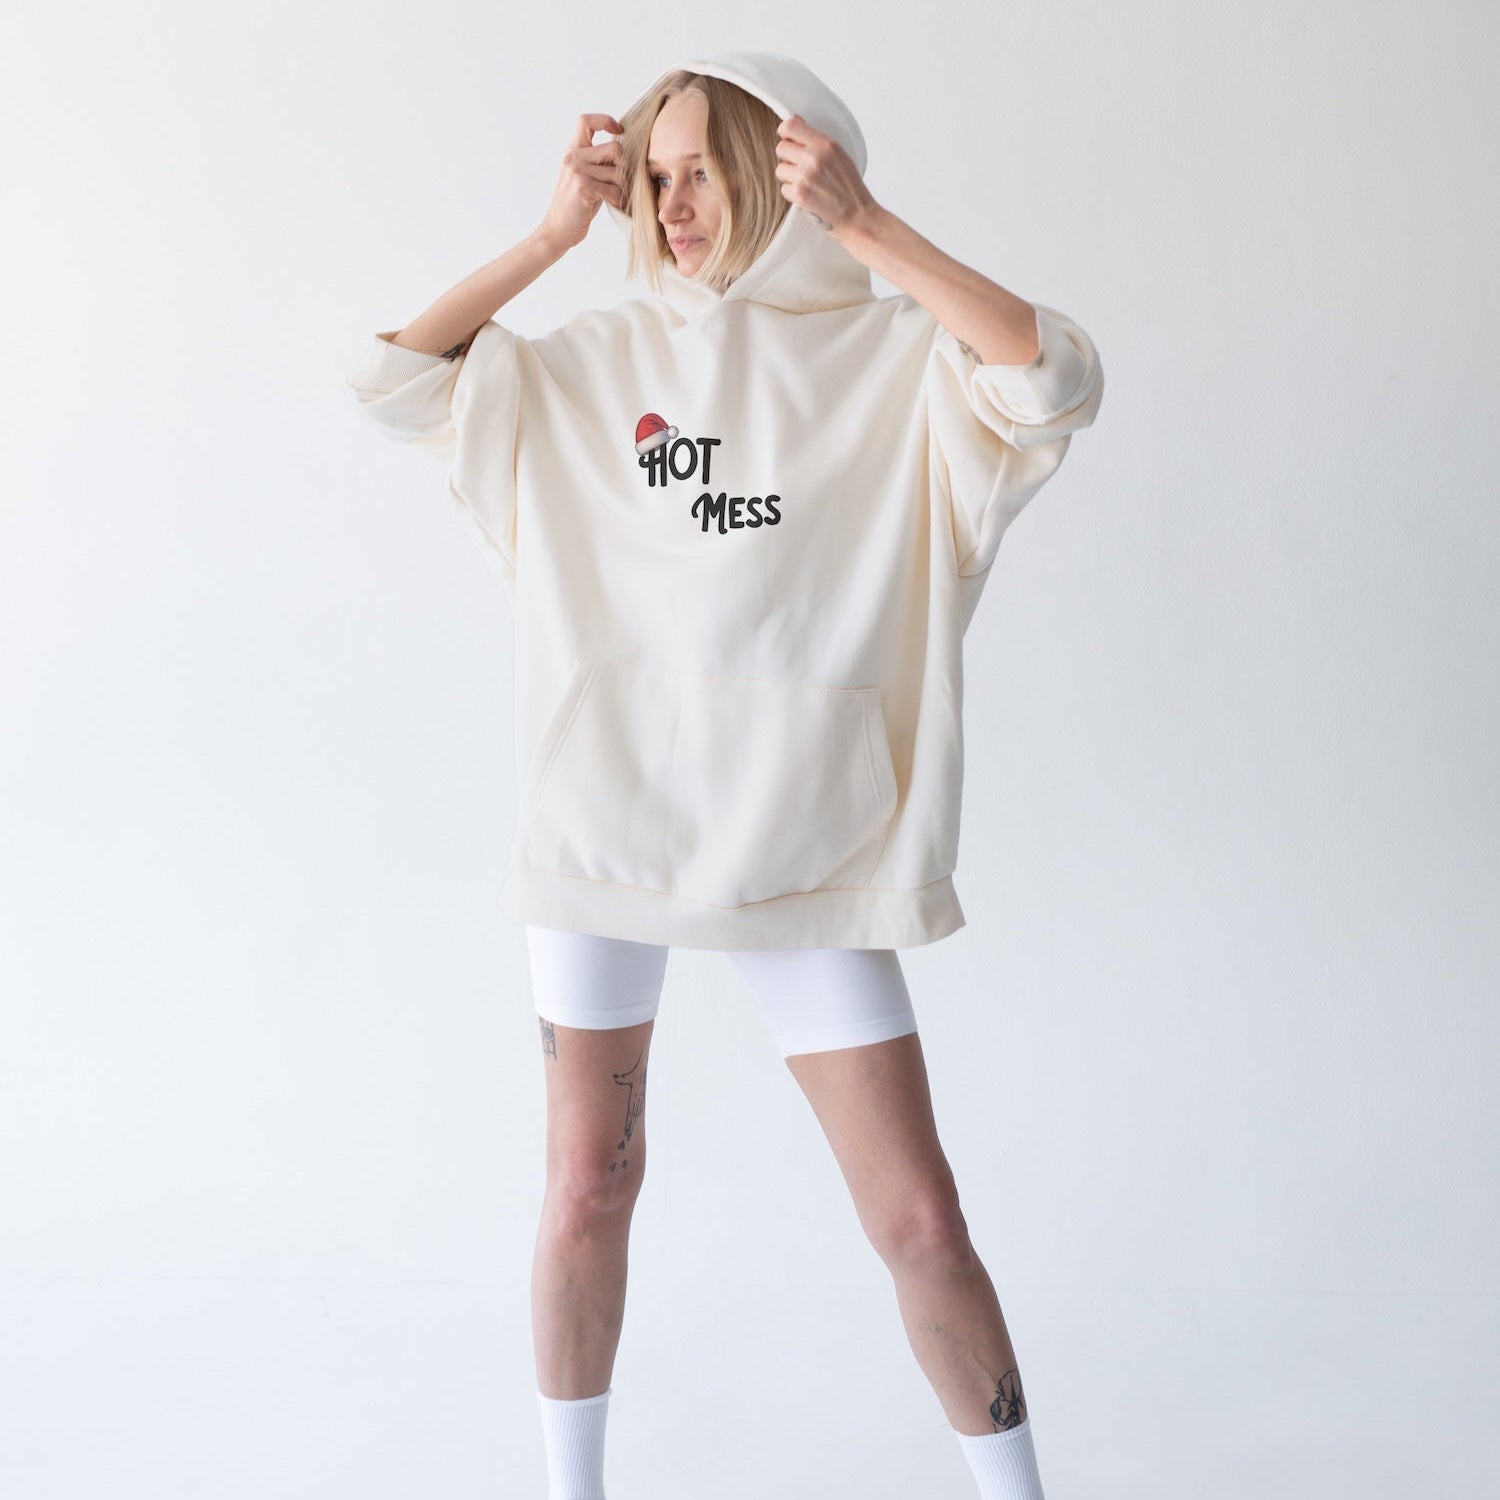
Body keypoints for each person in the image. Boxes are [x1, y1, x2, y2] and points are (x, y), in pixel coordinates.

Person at [346, 49, 1102, 1500]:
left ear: (778, 171)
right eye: (653, 176)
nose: (673, 204)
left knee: (917, 1221)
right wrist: (554, 238)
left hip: (807, 843)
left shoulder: (896, 362)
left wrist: (867, 227)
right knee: (586, 1186)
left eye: (701, 169)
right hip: (605, 824)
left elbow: (1053, 376)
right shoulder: (593, 363)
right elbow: (393, 384)